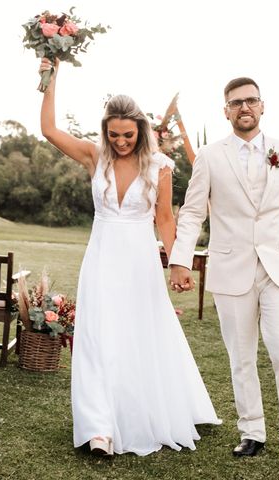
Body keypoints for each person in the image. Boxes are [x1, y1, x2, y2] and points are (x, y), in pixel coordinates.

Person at [39, 58, 221, 456]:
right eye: (114, 134)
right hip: (102, 258)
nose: (121, 142)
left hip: (140, 260)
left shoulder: (160, 167)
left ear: (141, 130)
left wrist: (179, 263)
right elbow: (49, 130)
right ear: (105, 131)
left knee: (140, 336)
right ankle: (99, 428)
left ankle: (146, 411)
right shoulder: (93, 156)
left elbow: (165, 219)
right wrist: (51, 77)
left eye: (128, 135)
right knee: (96, 339)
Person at [169, 77, 279, 475]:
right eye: (236, 103)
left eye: (251, 100)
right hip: (231, 268)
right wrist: (180, 259)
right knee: (241, 357)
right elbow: (193, 211)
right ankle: (251, 431)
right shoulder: (210, 156)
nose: (244, 107)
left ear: (262, 106)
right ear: (225, 111)